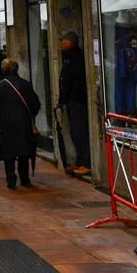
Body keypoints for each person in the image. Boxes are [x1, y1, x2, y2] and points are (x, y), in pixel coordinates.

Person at [0, 58, 41, 189]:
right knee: (23, 151)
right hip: (24, 123)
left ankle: (11, 180)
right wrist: (30, 116)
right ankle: (24, 178)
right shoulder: (26, 84)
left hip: (6, 124)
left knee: (9, 153)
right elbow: (35, 104)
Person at [58, 31, 92, 176]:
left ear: (70, 42)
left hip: (78, 100)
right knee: (74, 132)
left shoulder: (77, 57)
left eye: (63, 41)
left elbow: (74, 80)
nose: (60, 44)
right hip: (71, 101)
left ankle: (86, 162)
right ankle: (79, 161)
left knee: (80, 132)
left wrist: (70, 96)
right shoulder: (67, 57)